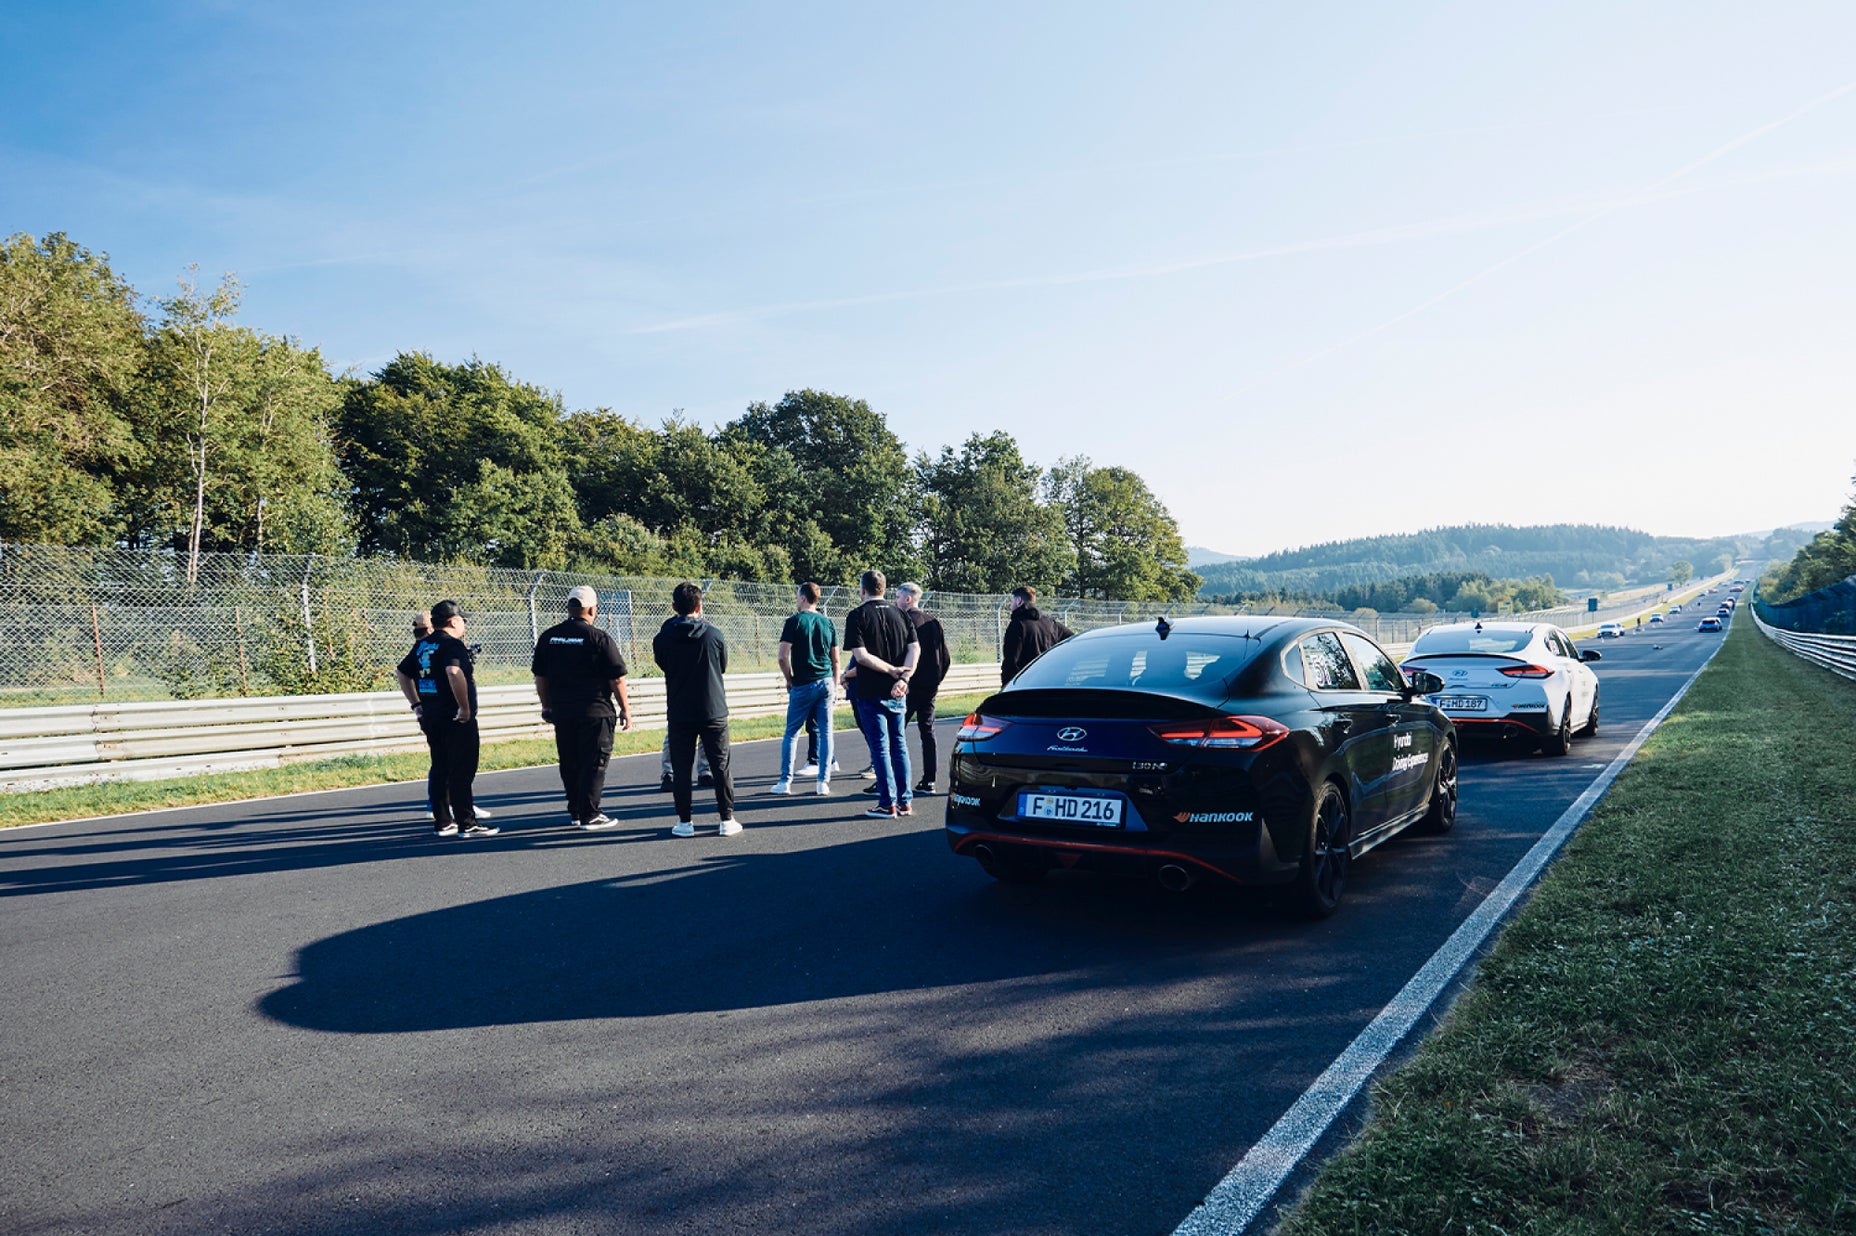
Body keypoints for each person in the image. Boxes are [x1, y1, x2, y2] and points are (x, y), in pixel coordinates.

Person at [532, 585, 632, 831]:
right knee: (594, 762)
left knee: (570, 762)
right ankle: (590, 813)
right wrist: (625, 709)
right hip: (595, 711)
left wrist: (546, 706)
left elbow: (540, 677)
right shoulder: (599, 637)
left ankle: (576, 810)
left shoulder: (549, 637)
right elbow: (617, 678)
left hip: (563, 711)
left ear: (569, 607)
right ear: (592, 608)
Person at [395, 599, 494, 838]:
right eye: (462, 620)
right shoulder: (453, 645)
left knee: (440, 767)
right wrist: (464, 707)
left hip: (431, 715)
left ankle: (443, 821)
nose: (464, 624)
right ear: (453, 621)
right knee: (462, 769)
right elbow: (453, 671)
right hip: (455, 717)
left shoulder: (422, 645)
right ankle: (467, 823)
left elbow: (402, 672)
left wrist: (417, 705)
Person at [652, 581, 740, 838]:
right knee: (721, 765)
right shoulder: (714, 635)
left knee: (681, 768)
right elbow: (722, 665)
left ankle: (684, 822)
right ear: (699, 606)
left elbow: (663, 664)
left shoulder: (663, 637)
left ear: (673, 607)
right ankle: (726, 819)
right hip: (712, 709)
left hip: (680, 710)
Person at [843, 569, 918, 819]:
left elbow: (861, 656)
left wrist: (892, 671)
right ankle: (905, 801)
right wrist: (903, 677)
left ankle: (887, 803)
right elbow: (915, 649)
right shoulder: (901, 614)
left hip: (870, 690)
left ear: (862, 590)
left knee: (881, 748)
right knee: (899, 745)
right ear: (884, 589)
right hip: (898, 690)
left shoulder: (857, 615)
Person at [770, 582, 840, 795]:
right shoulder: (828, 623)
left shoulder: (794, 621)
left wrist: (789, 678)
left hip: (803, 682)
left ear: (802, 598)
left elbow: (783, 656)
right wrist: (835, 686)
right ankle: (823, 782)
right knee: (826, 732)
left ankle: (785, 781)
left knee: (792, 732)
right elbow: (835, 659)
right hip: (826, 680)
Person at [895, 582, 951, 795]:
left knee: (895, 732)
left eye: (898, 596)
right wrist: (936, 679)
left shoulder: (903, 621)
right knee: (927, 731)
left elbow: (898, 653)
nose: (895, 600)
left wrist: (900, 678)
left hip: (907, 685)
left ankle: (893, 779)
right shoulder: (933, 621)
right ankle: (929, 780)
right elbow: (945, 657)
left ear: (908, 599)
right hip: (929, 686)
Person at [1000, 585, 1075, 684]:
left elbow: (1011, 660)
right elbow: (1073, 638)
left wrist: (1006, 686)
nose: (1010, 606)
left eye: (1012, 601)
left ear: (1019, 601)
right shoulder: (1050, 623)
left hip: (1026, 683)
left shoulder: (1017, 624)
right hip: (1048, 681)